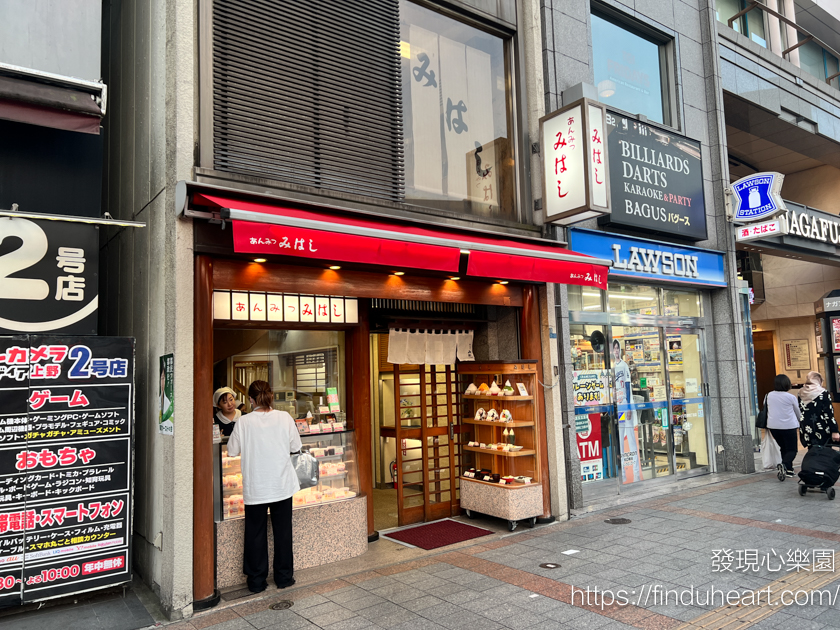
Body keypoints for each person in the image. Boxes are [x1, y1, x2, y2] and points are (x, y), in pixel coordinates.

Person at [227, 380, 302, 592]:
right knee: (283, 533)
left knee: (255, 534)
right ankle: (284, 577)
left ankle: (256, 581)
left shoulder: (243, 422)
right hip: (281, 485)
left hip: (256, 486)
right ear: (271, 396)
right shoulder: (284, 418)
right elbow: (296, 446)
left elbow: (232, 450)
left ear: (250, 399)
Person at [612, 339, 642, 483]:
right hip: (618, 407)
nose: (616, 351)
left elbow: (628, 386)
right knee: (621, 438)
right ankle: (623, 471)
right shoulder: (613, 366)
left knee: (630, 438)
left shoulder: (624, 366)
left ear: (620, 350)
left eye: (617, 348)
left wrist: (630, 407)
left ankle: (636, 471)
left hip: (625, 405)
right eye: (614, 348)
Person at [766, 374, 802, 477]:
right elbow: (798, 412)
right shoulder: (790, 397)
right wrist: (801, 422)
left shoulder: (769, 395)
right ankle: (784, 464)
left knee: (784, 447)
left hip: (773, 426)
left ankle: (789, 470)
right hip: (788, 426)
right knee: (792, 449)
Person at [798, 371, 839, 448]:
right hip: (822, 427)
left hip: (806, 427)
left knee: (812, 450)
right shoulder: (823, 393)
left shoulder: (801, 392)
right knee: (824, 451)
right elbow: (828, 413)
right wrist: (835, 430)